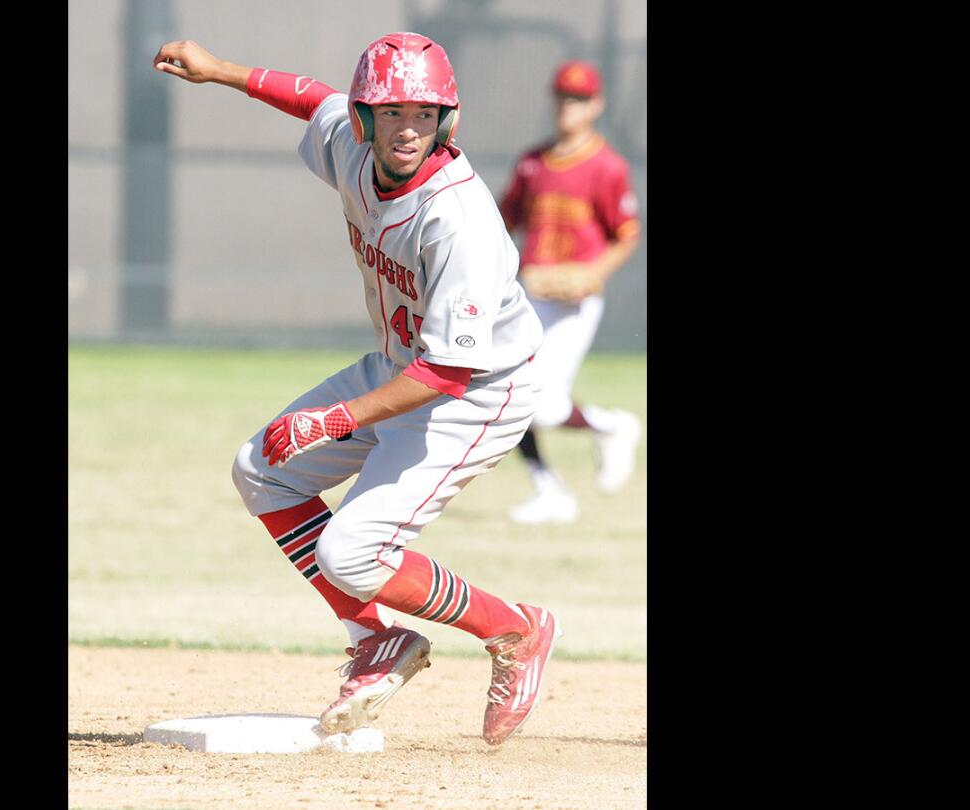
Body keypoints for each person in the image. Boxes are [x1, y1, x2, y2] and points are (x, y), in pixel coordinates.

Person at [152, 33, 561, 746]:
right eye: (392, 112)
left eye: (425, 114)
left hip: (478, 390)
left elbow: (448, 373)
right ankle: (377, 641)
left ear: (448, 121)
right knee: (261, 471)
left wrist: (333, 421)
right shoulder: (352, 140)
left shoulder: (457, 219)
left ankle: (514, 631)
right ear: (365, 119)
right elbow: (314, 98)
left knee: (352, 553)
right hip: (402, 364)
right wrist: (220, 71)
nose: (409, 128)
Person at [497, 60, 644, 525]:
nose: (568, 105)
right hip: (534, 292)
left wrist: (591, 272)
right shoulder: (533, 162)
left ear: (596, 105)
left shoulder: (606, 166)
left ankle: (613, 426)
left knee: (545, 404)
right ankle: (549, 489)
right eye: (563, 95)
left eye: (579, 98)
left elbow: (626, 233)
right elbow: (504, 223)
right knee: (506, 391)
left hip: (574, 302)